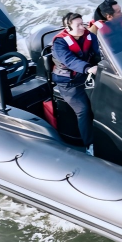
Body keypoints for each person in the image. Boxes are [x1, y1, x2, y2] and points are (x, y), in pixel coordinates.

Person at [50, 11, 100, 155]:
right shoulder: (59, 43)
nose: (83, 27)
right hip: (69, 83)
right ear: (68, 28)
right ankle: (89, 145)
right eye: (78, 25)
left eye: (82, 23)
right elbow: (70, 61)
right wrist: (88, 68)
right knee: (83, 110)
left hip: (86, 77)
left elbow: (99, 51)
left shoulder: (89, 36)